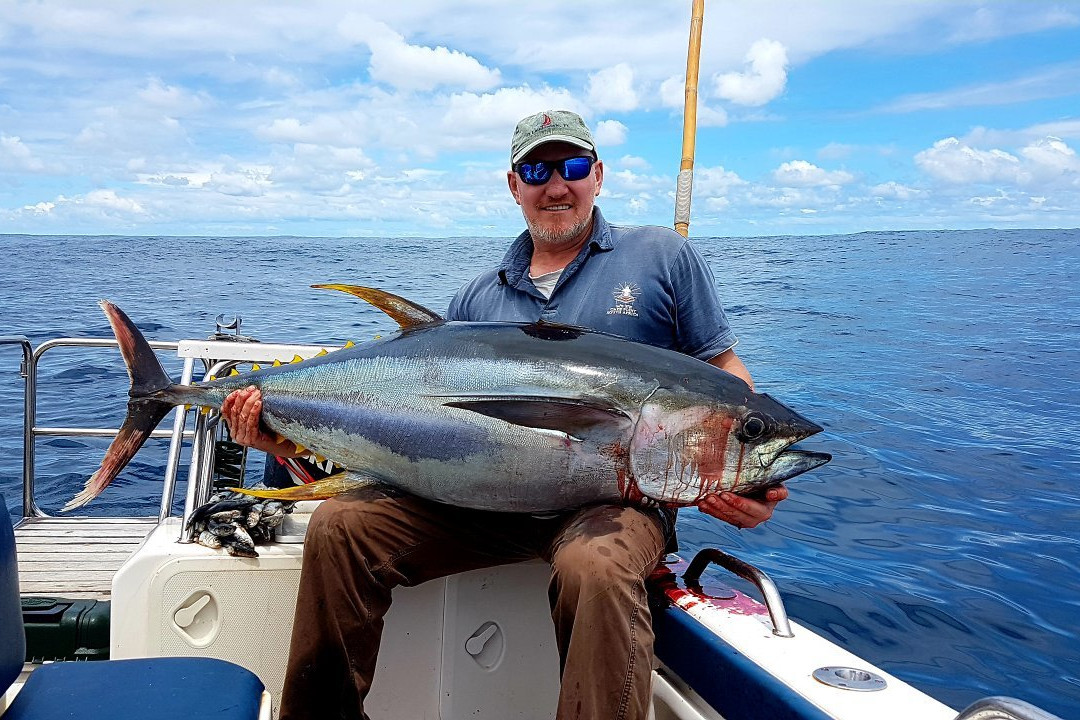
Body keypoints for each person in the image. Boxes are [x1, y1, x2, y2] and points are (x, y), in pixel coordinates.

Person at [221, 109, 788, 720]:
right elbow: (415, 427)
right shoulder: (478, 297)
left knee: (595, 565)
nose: (556, 185)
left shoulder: (659, 256)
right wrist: (283, 438)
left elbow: (725, 372)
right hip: (476, 504)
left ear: (597, 174)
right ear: (514, 185)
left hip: (615, 506)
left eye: (571, 166)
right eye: (535, 169)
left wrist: (740, 469)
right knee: (340, 528)